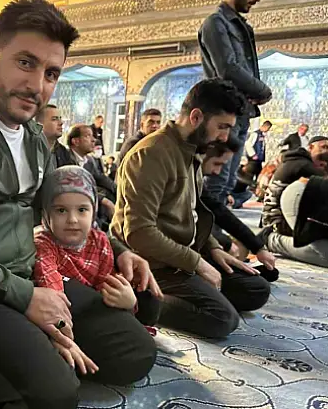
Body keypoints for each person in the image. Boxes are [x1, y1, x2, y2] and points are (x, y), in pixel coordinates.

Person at [0, 0, 157, 408]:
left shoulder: (32, 135)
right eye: (25, 63)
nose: (37, 86)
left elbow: (59, 206)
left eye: (51, 73)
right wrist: (22, 297)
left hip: (34, 275)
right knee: (56, 394)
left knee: (135, 352)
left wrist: (120, 251)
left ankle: (17, 354)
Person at [112, 78, 271, 339]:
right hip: (153, 262)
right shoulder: (151, 153)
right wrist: (197, 263)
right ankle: (140, 300)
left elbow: (191, 214)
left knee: (256, 289)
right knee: (222, 319)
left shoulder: (191, 150)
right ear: (196, 117)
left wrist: (213, 249)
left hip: (181, 254)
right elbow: (139, 234)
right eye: (222, 127)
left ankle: (188, 292)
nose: (225, 137)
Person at [33, 166, 164, 367]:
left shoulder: (99, 240)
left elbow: (107, 282)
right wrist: (61, 334)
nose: (72, 220)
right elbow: (51, 287)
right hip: (66, 311)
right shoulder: (43, 243)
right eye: (61, 210)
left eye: (82, 210)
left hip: (92, 301)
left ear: (93, 211)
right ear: (45, 213)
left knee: (149, 299)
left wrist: (127, 302)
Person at [198, 0, 272, 205]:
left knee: (228, 182)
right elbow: (228, 69)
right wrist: (262, 91)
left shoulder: (238, 25)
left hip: (240, 112)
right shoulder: (216, 23)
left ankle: (217, 224)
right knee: (217, 182)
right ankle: (208, 226)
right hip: (224, 113)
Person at [202, 139, 278, 281]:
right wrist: (218, 245)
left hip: (197, 243)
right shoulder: (179, 172)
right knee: (255, 287)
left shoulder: (195, 177)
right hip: (178, 252)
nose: (217, 172)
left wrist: (258, 247)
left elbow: (218, 210)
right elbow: (184, 224)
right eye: (217, 164)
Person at [261, 149, 328, 269]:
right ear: (322, 165)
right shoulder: (308, 169)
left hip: (275, 219)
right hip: (279, 223)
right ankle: (271, 240)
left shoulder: (297, 162)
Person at [261, 136, 328, 237]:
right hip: (278, 224)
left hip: (273, 221)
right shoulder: (303, 165)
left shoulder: (295, 160)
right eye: (324, 147)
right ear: (310, 147)